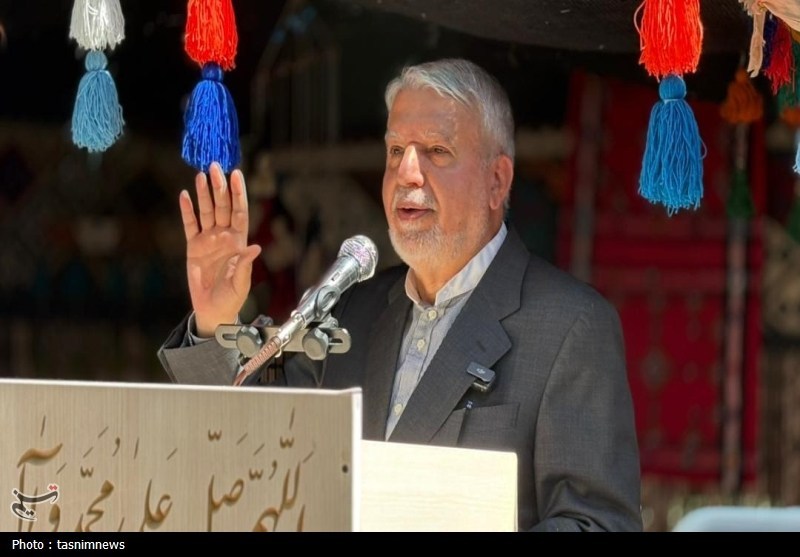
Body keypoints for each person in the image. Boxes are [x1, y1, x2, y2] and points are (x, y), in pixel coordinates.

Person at [158, 58, 643, 532]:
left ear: (497, 181)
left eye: (437, 151)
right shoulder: (352, 309)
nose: (407, 173)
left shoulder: (570, 327)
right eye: (395, 151)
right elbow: (246, 443)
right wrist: (216, 318)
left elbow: (598, 523)